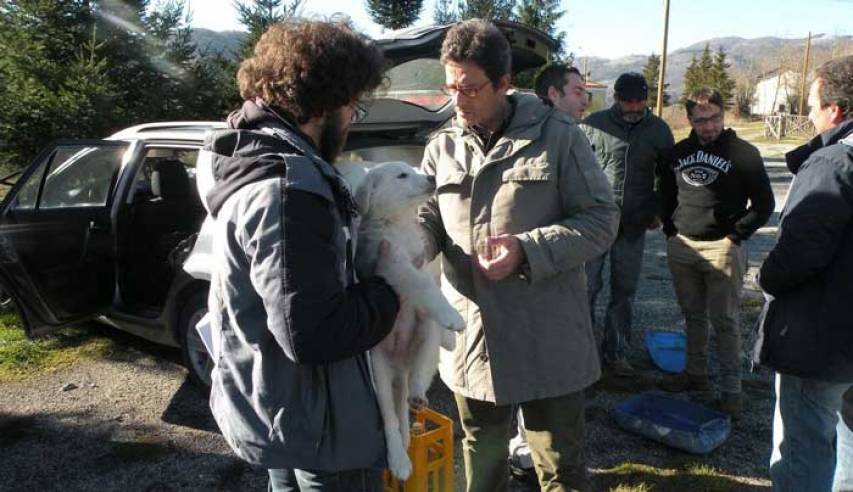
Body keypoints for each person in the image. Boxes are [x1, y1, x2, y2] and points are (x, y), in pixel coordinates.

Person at [419, 19, 619, 492]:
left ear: (505, 83)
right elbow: (427, 212)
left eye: (469, 89)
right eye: (449, 87)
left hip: (545, 332)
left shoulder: (560, 137)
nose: (457, 100)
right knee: (482, 458)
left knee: (558, 464)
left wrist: (528, 250)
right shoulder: (442, 144)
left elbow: (601, 220)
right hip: (475, 337)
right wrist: (415, 244)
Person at [202, 21, 401, 491]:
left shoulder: (249, 159)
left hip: (282, 409)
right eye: (354, 104)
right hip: (322, 427)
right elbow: (313, 333)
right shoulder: (291, 189)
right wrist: (388, 290)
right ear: (326, 103)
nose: (353, 118)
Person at [757, 54, 853, 492]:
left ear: (835, 111)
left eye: (813, 104)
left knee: (804, 447)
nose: (810, 113)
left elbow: (800, 252)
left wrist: (764, 277)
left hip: (819, 339)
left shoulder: (832, 163)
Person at [657, 87, 774, 416]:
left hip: (723, 249)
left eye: (714, 118)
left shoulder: (744, 153)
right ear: (690, 119)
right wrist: (669, 232)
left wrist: (735, 236)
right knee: (692, 316)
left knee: (725, 320)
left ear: (724, 114)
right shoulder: (677, 153)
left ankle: (731, 391)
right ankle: (695, 375)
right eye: (700, 120)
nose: (708, 126)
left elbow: (765, 204)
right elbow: (664, 196)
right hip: (682, 246)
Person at [507, 61, 592, 482]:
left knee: (554, 411)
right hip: (509, 296)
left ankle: (533, 451)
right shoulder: (535, 137)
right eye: (577, 91)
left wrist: (530, 250)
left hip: (554, 294)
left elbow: (596, 217)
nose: (585, 100)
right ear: (553, 95)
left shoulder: (571, 138)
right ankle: (523, 448)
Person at [580, 72, 675, 376]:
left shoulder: (659, 130)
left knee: (624, 292)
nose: (634, 107)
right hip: (596, 222)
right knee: (585, 288)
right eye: (627, 101)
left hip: (634, 223)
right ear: (616, 99)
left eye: (639, 101)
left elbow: (667, 178)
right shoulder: (594, 125)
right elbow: (576, 169)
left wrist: (658, 210)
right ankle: (581, 353)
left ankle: (616, 353)